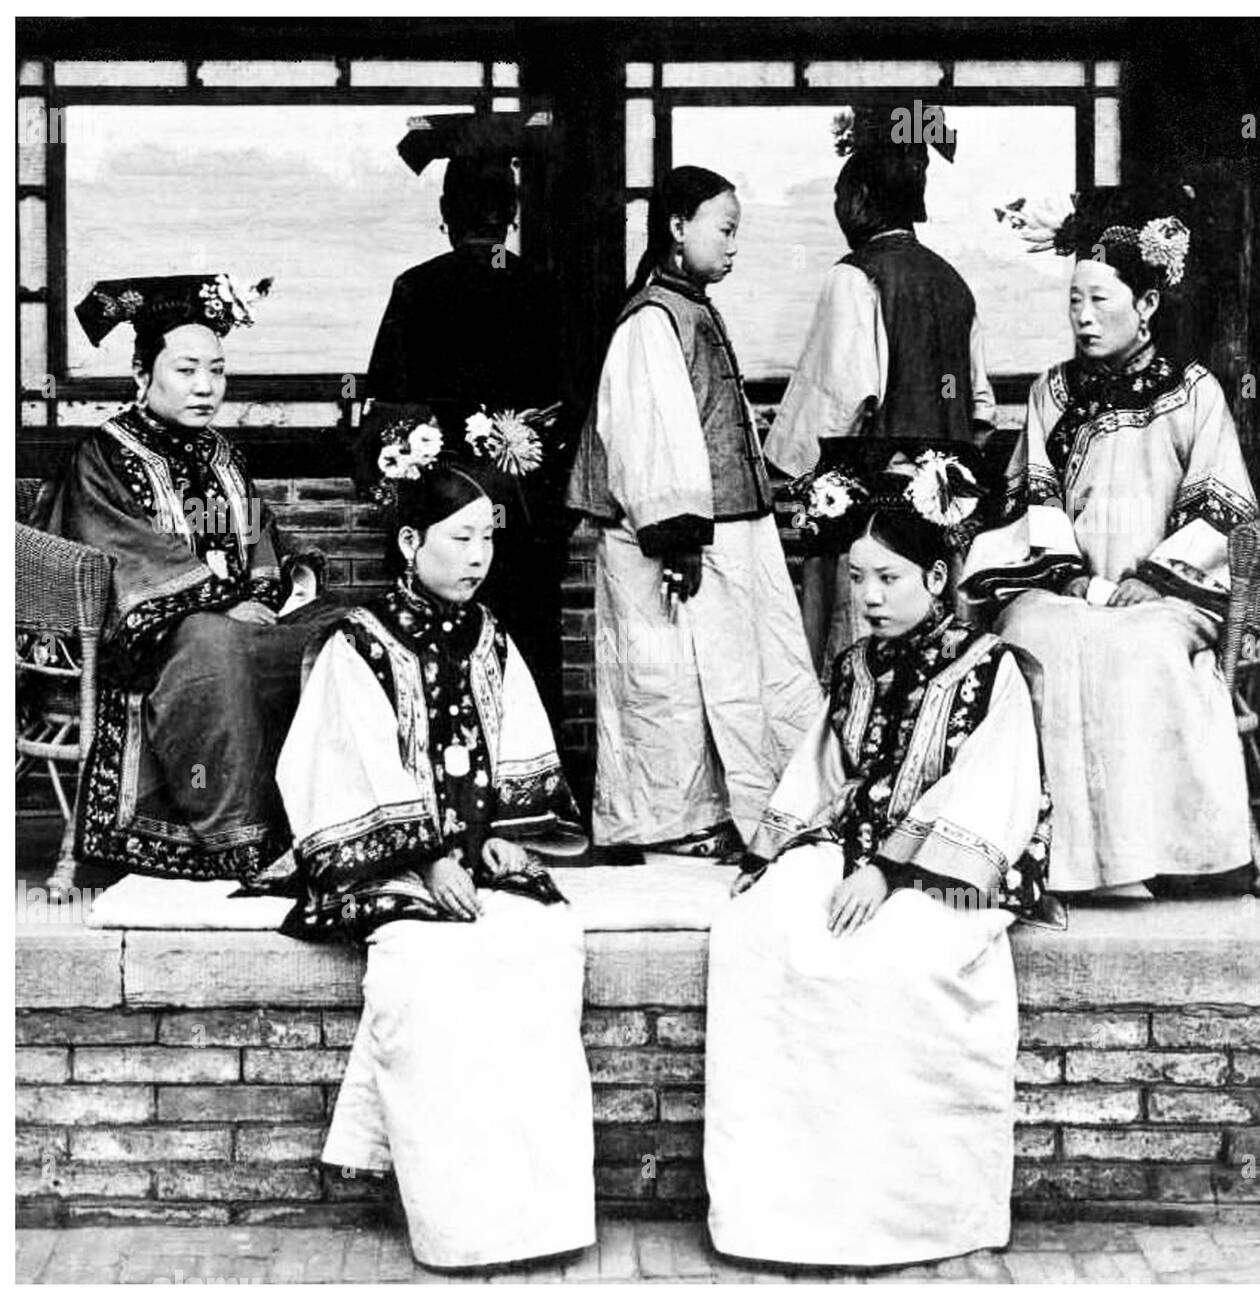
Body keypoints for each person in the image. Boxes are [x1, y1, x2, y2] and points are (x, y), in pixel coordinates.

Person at [704, 461, 1052, 1268]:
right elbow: (824, 773)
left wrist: (890, 870)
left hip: (951, 868)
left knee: (891, 964)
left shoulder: (987, 666)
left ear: (936, 578)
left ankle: (907, 1210)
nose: (869, 595)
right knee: (759, 936)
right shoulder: (855, 665)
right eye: (857, 577)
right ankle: (781, 1209)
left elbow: (992, 790)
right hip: (852, 844)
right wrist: (778, 851)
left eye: (890, 578)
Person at [276, 436, 594, 1269]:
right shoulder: (361, 644)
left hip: (470, 861)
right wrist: (427, 860)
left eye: (487, 537)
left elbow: (516, 746)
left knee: (541, 944)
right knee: (428, 971)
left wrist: (488, 842)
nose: (478, 557)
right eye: (459, 538)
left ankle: (540, 1214)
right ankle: (456, 1220)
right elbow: (343, 768)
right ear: (411, 544)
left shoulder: (491, 636)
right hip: (389, 868)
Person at [965, 188, 1258, 892]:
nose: (1084, 317)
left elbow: (1222, 509)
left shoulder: (1194, 394)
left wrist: (1153, 580)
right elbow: (1033, 495)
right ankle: (1051, 859)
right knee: (1043, 642)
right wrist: (1068, 576)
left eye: (1100, 300)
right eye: (1074, 302)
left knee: (1137, 653)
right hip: (1063, 588)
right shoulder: (1054, 393)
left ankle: (1146, 859)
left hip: (1163, 597)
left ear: (1148, 305)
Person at [32, 274, 336, 882]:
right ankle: (233, 839)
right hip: (149, 637)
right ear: (142, 375)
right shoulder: (103, 455)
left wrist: (269, 589)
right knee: (214, 644)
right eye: (186, 369)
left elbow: (259, 538)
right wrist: (222, 604)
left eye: (217, 371)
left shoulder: (222, 454)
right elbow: (122, 554)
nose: (205, 387)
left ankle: (320, 823)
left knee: (342, 632)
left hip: (239, 620)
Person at [568, 165, 823, 855]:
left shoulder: (690, 310)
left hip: (724, 533)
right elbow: (653, 432)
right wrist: (678, 536)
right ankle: (664, 821)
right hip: (671, 539)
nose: (735, 245)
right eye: (726, 229)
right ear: (678, 228)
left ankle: (741, 811)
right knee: (670, 683)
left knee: (737, 674)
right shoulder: (653, 319)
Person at [764, 105, 998, 674]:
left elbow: (839, 399)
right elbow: (982, 411)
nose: (840, 210)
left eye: (842, 197)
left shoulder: (855, 276)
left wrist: (782, 467)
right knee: (937, 661)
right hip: (940, 514)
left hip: (869, 517)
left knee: (860, 659)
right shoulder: (953, 284)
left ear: (864, 197)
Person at [364, 112, 569, 725]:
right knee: (527, 648)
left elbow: (389, 407)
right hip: (526, 510)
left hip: (439, 512)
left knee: (435, 649)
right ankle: (538, 792)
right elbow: (571, 406)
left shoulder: (417, 288)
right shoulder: (544, 288)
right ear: (510, 215)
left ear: (446, 216)